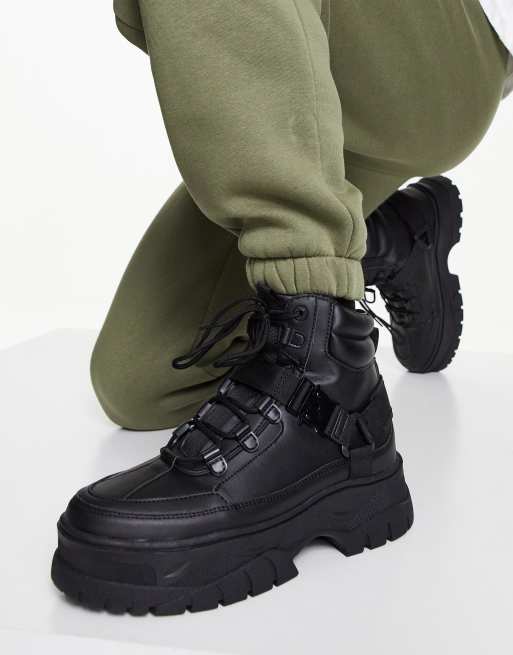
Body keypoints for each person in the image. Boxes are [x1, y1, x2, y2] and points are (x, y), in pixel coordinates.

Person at [51, 1, 512, 614]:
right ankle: (384, 240)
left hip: (437, 49)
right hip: (301, 69)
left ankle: (328, 379)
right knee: (141, 382)